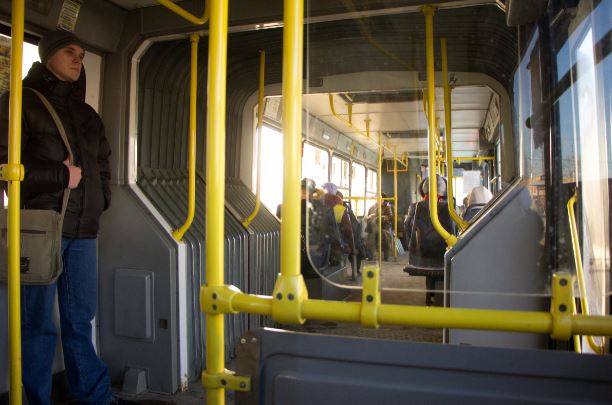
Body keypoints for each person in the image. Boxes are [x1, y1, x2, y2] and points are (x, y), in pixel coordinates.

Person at [0, 30, 124, 405]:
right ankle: (37, 399)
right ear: (47, 55)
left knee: (79, 320)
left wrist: (101, 199)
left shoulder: (87, 114)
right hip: (40, 227)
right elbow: (5, 165)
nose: (77, 59)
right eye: (69, 52)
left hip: (84, 230)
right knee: (37, 324)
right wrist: (60, 175)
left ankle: (95, 397)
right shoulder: (19, 101)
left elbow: (102, 163)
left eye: (82, 54)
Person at [321, 182, 353, 266]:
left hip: (318, 243)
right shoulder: (339, 207)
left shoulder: (317, 205)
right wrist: (351, 244)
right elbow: (347, 228)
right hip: (335, 244)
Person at [365, 192, 394, 261]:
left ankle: (386, 256)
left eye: (380, 199)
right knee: (369, 238)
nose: (378, 200)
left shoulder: (387, 206)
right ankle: (370, 256)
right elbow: (366, 217)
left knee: (385, 238)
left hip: (383, 226)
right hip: (373, 227)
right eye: (377, 199)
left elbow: (390, 217)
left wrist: (382, 218)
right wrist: (369, 217)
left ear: (383, 199)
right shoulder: (372, 207)